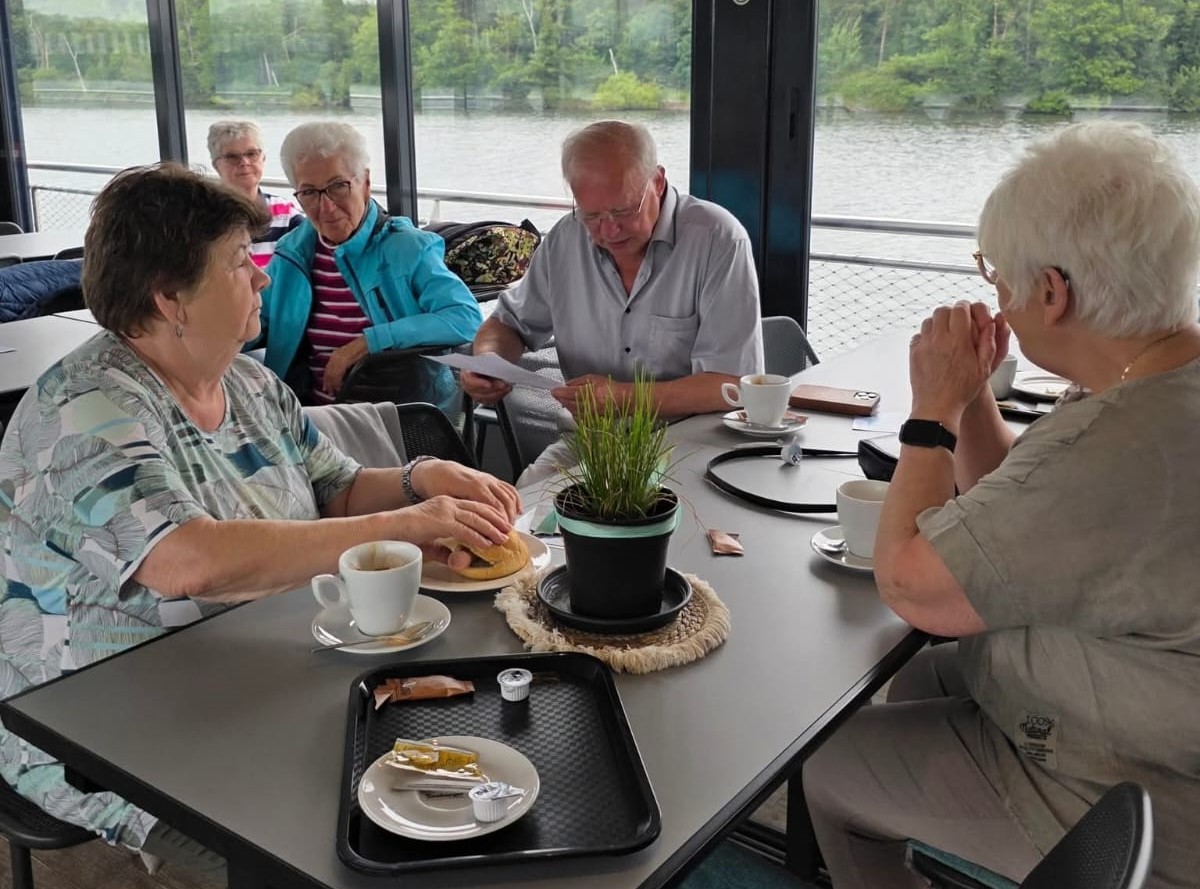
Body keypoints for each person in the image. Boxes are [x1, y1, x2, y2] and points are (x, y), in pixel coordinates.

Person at [0, 163, 520, 882]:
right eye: (241, 262)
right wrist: (406, 526)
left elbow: (337, 489)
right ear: (170, 298)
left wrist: (419, 477)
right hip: (113, 729)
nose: (263, 277)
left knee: (451, 780)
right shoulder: (81, 411)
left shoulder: (246, 381)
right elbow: (188, 561)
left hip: (264, 674)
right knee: (328, 857)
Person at [803, 121, 1200, 888]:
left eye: (997, 274)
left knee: (827, 764)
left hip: (1131, 785)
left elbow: (911, 584)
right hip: (1145, 705)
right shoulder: (1158, 384)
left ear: (1051, 292)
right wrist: (974, 390)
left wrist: (932, 413)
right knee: (920, 681)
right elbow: (1019, 500)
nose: (996, 294)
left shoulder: (1116, 447)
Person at [461, 120, 763, 478]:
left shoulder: (718, 239)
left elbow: (732, 385)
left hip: (691, 444)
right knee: (522, 500)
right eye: (591, 215)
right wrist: (488, 360)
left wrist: (624, 397)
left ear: (658, 182)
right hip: (592, 440)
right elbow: (506, 324)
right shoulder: (565, 240)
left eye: (623, 211)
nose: (608, 230)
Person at [258, 121, 481, 407]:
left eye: (338, 186)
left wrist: (370, 342)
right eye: (310, 192)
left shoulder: (408, 249)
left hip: (397, 415)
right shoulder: (292, 253)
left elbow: (465, 318)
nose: (326, 207)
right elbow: (256, 323)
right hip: (307, 415)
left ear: (364, 183)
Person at [207, 119, 303, 268]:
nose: (244, 162)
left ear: (263, 158)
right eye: (232, 156)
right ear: (216, 165)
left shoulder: (286, 214)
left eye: (251, 154)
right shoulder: (201, 215)